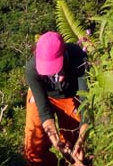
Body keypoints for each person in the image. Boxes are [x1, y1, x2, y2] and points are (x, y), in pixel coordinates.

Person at [24, 31, 89, 165]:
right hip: (43, 95)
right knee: (34, 150)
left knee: (74, 148)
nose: (55, 75)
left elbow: (86, 103)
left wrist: (81, 141)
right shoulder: (32, 69)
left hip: (70, 96)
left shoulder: (78, 57)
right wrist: (56, 141)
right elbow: (44, 111)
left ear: (64, 54)